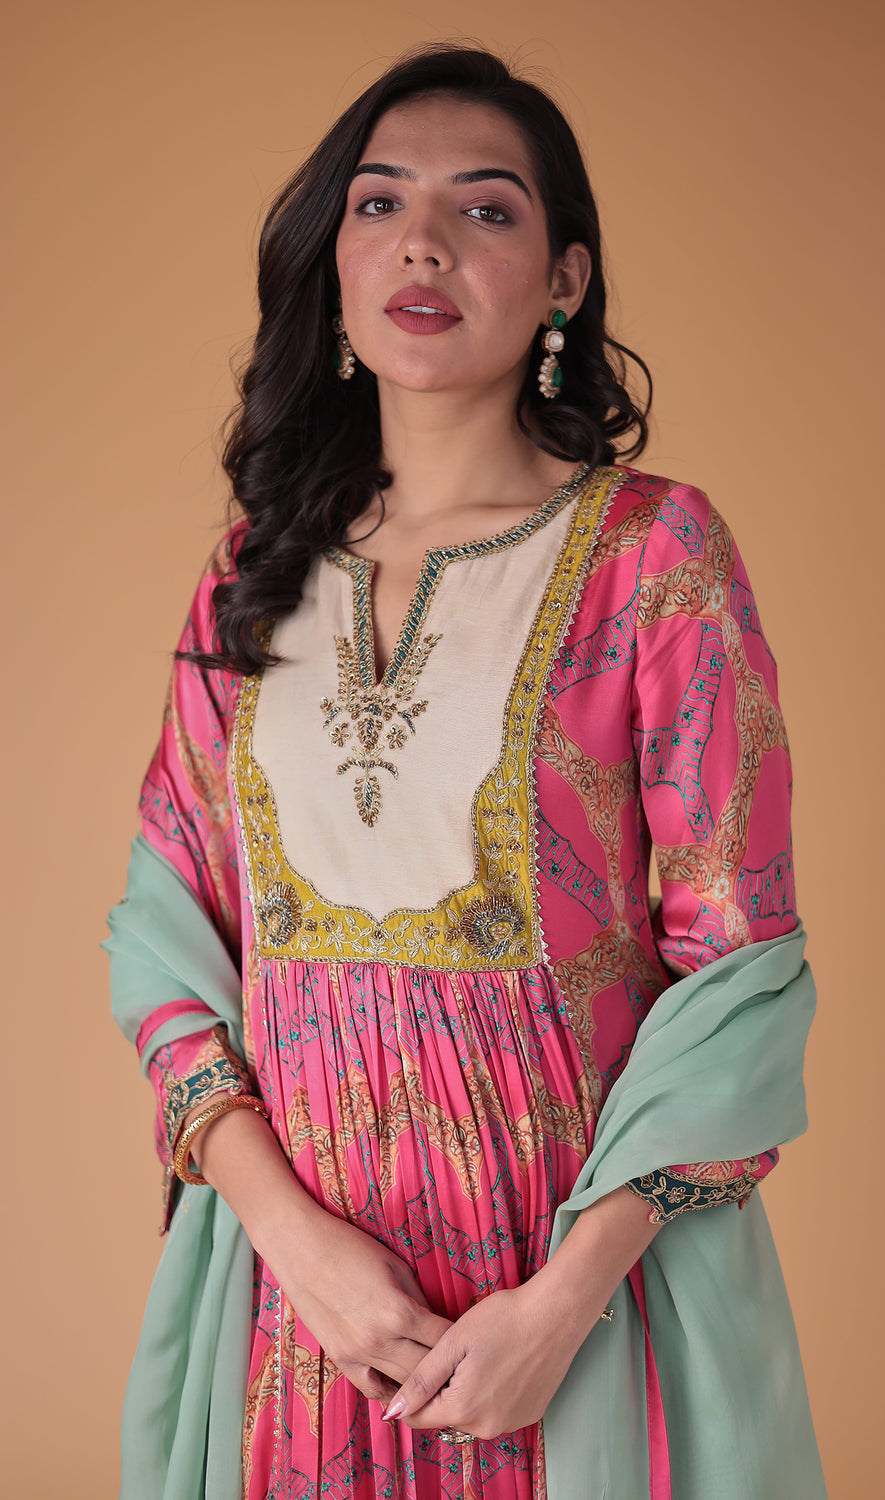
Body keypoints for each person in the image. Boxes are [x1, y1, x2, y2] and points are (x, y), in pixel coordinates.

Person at [106, 43, 826, 1500]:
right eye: (379, 204)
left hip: (573, 1308)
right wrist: (299, 1251)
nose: (422, 242)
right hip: (302, 1320)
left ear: (563, 280)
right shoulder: (251, 576)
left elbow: (739, 971)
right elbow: (167, 946)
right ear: (333, 264)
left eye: (484, 209)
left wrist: (559, 1309)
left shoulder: (653, 558)